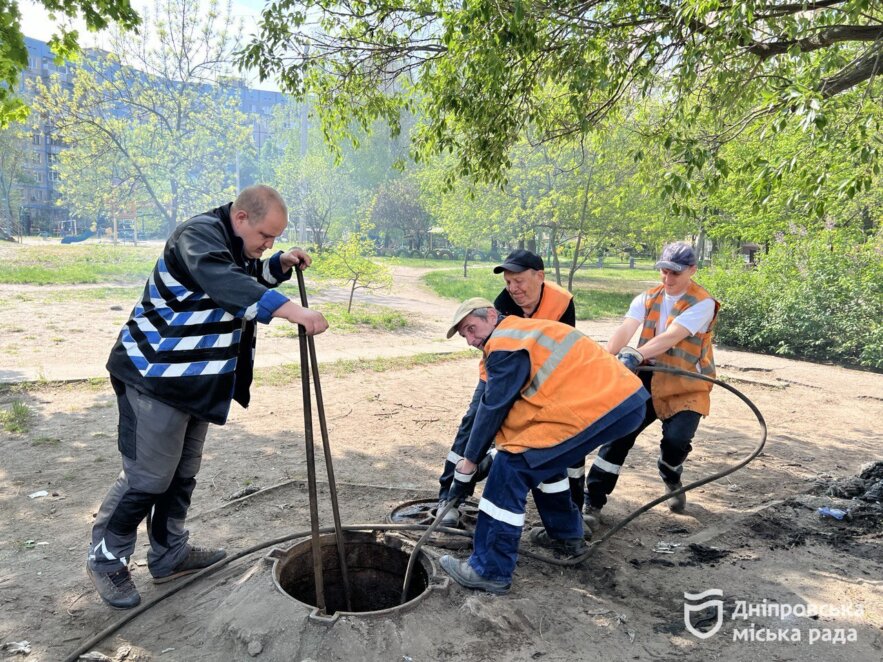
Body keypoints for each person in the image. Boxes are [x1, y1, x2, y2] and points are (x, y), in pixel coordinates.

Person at [86, 185, 328, 609]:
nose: (269, 244)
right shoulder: (196, 235)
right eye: (266, 237)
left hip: (198, 380)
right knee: (148, 478)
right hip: (155, 376)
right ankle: (106, 559)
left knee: (182, 474)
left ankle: (169, 553)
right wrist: (293, 310)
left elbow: (243, 275)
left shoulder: (236, 245)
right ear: (240, 218)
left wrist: (277, 264)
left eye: (275, 239)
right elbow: (224, 282)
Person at [438, 298, 648, 594]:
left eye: (472, 329)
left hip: (599, 407)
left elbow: (492, 407)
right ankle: (566, 535)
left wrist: (470, 462)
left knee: (510, 469)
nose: (472, 340)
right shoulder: (527, 332)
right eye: (465, 336)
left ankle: (489, 569)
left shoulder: (504, 343)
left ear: (491, 315)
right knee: (541, 462)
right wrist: (490, 452)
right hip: (624, 402)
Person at [436, 249, 580, 527]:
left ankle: (574, 512)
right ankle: (449, 498)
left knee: (561, 439)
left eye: (518, 281)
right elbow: (498, 354)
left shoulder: (562, 303)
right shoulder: (502, 303)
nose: (513, 289)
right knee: (473, 426)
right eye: (508, 282)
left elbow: (564, 348)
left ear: (540, 276)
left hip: (543, 380)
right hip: (498, 374)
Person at [583, 242, 719, 529]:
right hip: (647, 378)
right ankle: (592, 502)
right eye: (664, 272)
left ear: (692, 270)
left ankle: (670, 474)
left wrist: (638, 353)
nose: (668, 279)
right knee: (618, 435)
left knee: (676, 442)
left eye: (675, 274)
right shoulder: (647, 297)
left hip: (687, 383)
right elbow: (626, 329)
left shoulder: (702, 303)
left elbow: (672, 336)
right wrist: (607, 356)